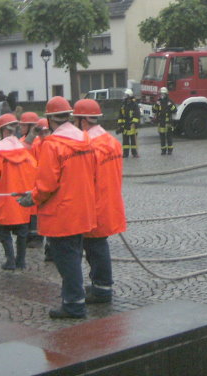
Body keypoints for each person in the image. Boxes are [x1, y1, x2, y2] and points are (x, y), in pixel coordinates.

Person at [18, 96, 97, 319]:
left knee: (66, 260)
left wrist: (30, 198)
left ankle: (73, 304)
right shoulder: (84, 138)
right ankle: (75, 299)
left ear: (51, 118)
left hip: (62, 213)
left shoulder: (53, 145)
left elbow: (46, 185)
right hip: (83, 208)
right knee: (73, 255)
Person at [72, 99, 126, 304]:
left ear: (82, 120)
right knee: (97, 246)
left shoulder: (88, 145)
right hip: (110, 201)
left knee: (95, 248)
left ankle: (102, 288)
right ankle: (100, 284)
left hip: (93, 204)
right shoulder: (112, 142)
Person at [0, 114, 37, 270]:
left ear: (0, 131)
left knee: (4, 233)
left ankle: (10, 261)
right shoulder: (23, 149)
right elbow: (34, 169)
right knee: (22, 233)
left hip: (5, 198)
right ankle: (21, 261)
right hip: (21, 199)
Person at [18, 111, 44, 249]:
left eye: (23, 125)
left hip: (35, 181)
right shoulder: (23, 140)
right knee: (29, 210)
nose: (21, 128)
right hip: (25, 180)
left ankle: (37, 237)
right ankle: (29, 235)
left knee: (35, 211)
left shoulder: (38, 142)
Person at [151, 87, 177, 156]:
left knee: (169, 137)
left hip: (168, 123)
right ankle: (163, 150)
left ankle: (170, 150)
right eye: (161, 94)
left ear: (166, 94)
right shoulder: (158, 102)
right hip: (161, 122)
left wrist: (170, 105)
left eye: (163, 94)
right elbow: (153, 110)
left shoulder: (169, 101)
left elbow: (175, 110)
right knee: (162, 137)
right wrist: (156, 104)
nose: (162, 95)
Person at [117, 89, 141, 158]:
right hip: (125, 126)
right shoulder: (123, 105)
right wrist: (120, 125)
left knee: (133, 141)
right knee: (125, 141)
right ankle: (125, 153)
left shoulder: (134, 105)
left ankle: (134, 153)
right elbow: (120, 115)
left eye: (126, 95)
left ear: (129, 96)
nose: (124, 97)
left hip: (132, 126)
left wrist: (134, 123)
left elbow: (137, 115)